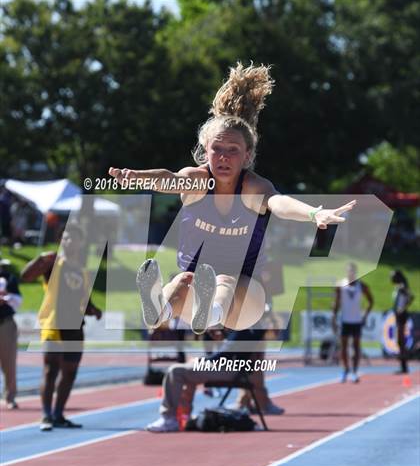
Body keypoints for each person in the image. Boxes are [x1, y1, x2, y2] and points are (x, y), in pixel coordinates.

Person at [109, 62, 356, 336]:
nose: (224, 157)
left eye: (233, 150)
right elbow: (170, 179)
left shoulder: (252, 187)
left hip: (245, 299)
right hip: (194, 293)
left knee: (223, 280)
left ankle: (209, 313)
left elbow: (278, 203)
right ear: (205, 150)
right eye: (217, 149)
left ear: (247, 155)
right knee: (181, 281)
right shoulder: (197, 181)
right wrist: (137, 176)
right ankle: (159, 312)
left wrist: (314, 214)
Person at [21, 224, 102, 431]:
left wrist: (94, 310)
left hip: (75, 328)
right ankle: (46, 415)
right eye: (65, 238)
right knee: (51, 370)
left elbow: (85, 302)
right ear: (60, 241)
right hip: (53, 325)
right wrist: (39, 259)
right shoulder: (52, 264)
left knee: (70, 373)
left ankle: (58, 414)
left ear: (80, 242)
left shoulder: (83, 272)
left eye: (72, 238)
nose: (68, 242)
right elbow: (25, 276)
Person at [146, 327, 281, 432]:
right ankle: (183, 416)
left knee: (175, 371)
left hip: (230, 369)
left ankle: (169, 418)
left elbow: (226, 354)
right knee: (185, 369)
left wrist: (202, 360)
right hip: (229, 367)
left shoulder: (247, 325)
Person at [332, 262, 373, 383]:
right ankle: (345, 370)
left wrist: (365, 315)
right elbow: (336, 303)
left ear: (356, 273)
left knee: (356, 347)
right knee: (343, 347)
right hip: (345, 320)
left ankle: (354, 372)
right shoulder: (340, 285)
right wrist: (333, 317)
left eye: (353, 271)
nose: (350, 273)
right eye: (348, 271)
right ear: (346, 272)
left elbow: (371, 301)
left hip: (356, 321)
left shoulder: (362, 286)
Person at [0, 258, 22, 409]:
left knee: (9, 362)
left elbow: (18, 299)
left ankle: (10, 396)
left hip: (5, 322)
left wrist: (5, 298)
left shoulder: (9, 278)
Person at [390, 270, 414, 374]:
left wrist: (403, 308)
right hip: (398, 316)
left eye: (392, 276)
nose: (391, 279)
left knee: (401, 341)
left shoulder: (403, 287)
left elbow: (411, 297)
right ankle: (403, 366)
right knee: (400, 341)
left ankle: (404, 367)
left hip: (401, 316)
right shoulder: (400, 286)